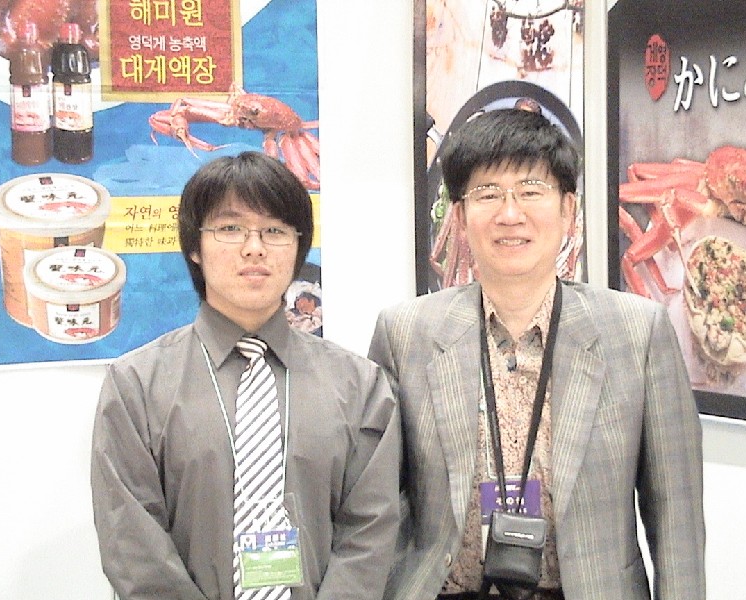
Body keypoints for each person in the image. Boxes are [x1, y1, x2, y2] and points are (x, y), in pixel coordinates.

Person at [368, 109, 705, 600]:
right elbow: (379, 506)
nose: (510, 214)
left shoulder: (638, 332)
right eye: (488, 193)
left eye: (531, 190)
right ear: (459, 215)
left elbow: (677, 519)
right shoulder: (405, 333)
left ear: (568, 210)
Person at [91, 151, 400, 600]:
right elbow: (132, 542)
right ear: (194, 247)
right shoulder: (135, 385)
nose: (254, 247)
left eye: (274, 231)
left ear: (298, 247)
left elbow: (370, 531)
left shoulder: (361, 386)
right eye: (230, 228)